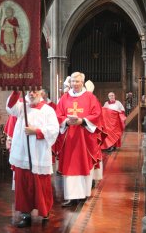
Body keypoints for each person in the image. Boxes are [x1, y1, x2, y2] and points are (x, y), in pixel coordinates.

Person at [6, 89, 59, 228]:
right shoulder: (22, 107)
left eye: (35, 91)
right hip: (22, 153)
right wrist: (16, 91)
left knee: (41, 185)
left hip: (39, 153)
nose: (32, 94)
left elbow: (54, 130)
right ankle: (25, 214)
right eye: (29, 91)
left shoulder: (48, 110)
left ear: (41, 93)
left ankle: (45, 211)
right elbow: (10, 107)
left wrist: (36, 131)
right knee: (23, 185)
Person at [55, 71, 103, 207]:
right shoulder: (64, 98)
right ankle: (71, 196)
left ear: (82, 82)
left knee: (83, 163)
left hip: (84, 138)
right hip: (69, 138)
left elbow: (97, 114)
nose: (75, 84)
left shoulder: (90, 97)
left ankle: (83, 194)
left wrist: (82, 121)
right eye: (73, 82)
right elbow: (58, 115)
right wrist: (66, 121)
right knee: (70, 165)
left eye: (77, 81)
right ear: (69, 83)